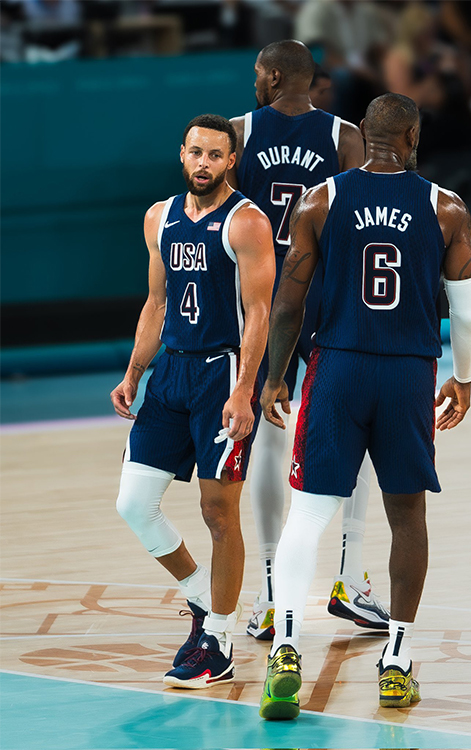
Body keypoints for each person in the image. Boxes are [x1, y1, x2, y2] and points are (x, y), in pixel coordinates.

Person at [258, 93, 471, 719]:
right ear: (413, 137)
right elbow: (467, 315)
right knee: (407, 516)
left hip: (337, 368)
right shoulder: (446, 208)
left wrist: (275, 378)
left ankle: (285, 650)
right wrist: (463, 378)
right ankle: (397, 662)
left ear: (363, 132)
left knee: (308, 512)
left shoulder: (319, 199)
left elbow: (287, 302)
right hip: (408, 372)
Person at [227, 39, 389, 641]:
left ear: (272, 77)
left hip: (263, 303)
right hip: (328, 299)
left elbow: (223, 222)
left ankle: (271, 593)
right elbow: (364, 221)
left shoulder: (239, 132)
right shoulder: (346, 136)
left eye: (257, 74)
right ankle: (349, 576)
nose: (254, 82)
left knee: (268, 439)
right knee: (357, 432)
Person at [110, 114, 275, 689]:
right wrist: (135, 372)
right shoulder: (159, 217)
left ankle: (220, 643)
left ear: (231, 161)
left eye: (215, 155)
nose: (204, 163)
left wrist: (245, 389)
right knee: (134, 504)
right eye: (196, 152)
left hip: (220, 374)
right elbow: (156, 303)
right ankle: (205, 599)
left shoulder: (247, 221)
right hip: (171, 374)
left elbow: (259, 313)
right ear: (182, 154)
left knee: (218, 512)